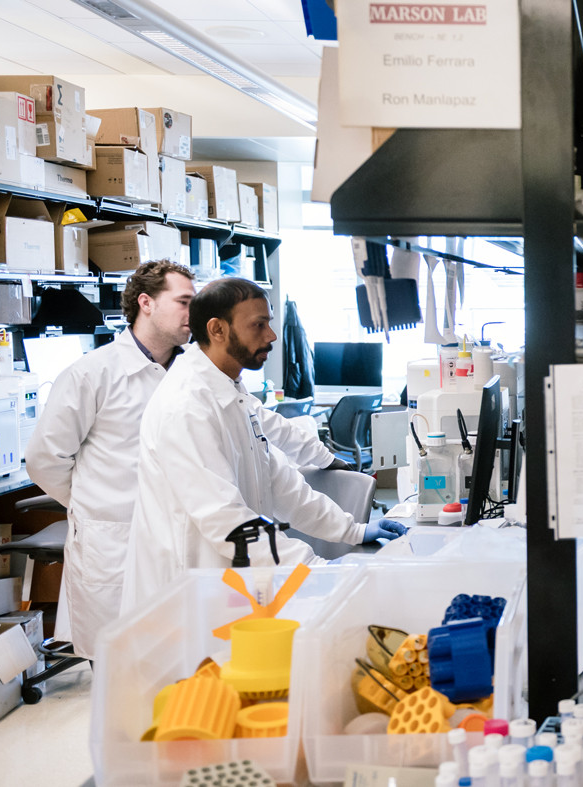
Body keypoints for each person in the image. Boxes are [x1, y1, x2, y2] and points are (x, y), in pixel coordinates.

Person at [25, 261, 348, 659]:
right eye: (183, 301)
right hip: (115, 536)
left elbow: (265, 434)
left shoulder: (202, 372)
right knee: (125, 669)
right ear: (146, 303)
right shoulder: (93, 374)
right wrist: (94, 504)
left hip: (190, 536)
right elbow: (44, 460)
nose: (191, 311)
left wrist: (326, 459)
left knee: (182, 663)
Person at [121, 278, 405, 609]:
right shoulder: (186, 406)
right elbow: (226, 518)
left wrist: (353, 530)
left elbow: (281, 485)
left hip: (229, 583)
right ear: (217, 330)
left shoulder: (232, 392)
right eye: (258, 325)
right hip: (188, 591)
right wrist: (313, 570)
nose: (271, 336)